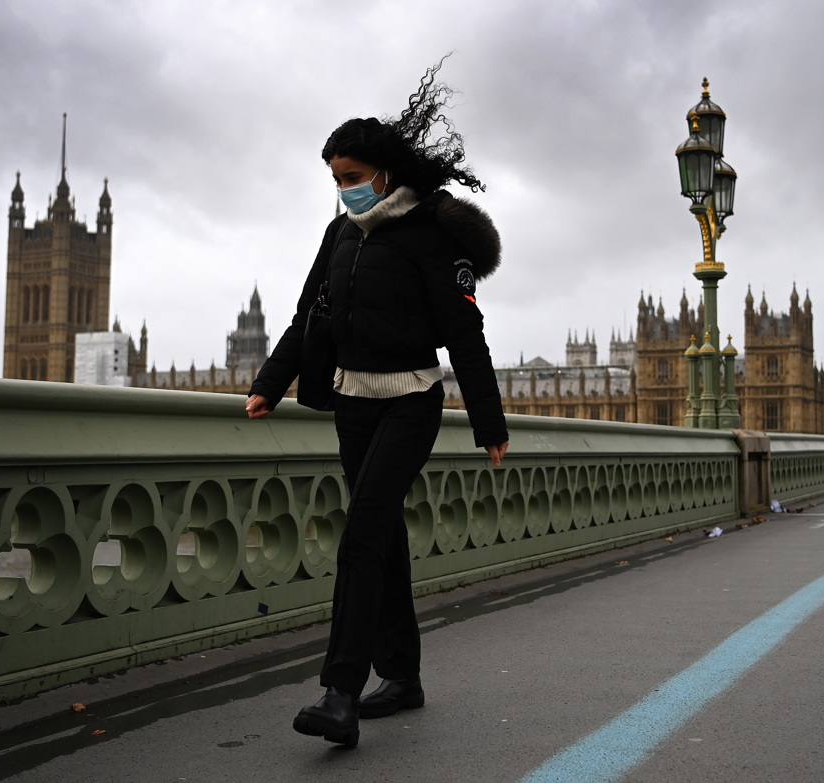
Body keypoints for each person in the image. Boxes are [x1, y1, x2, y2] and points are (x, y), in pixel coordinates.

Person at [244, 60, 509, 748]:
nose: (344, 191)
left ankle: (340, 692)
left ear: (384, 174)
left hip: (411, 401)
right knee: (382, 535)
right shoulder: (339, 236)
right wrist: (271, 381)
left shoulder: (429, 235)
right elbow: (311, 314)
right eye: (335, 180)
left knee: (361, 530)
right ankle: (404, 674)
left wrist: (489, 421)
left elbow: (464, 332)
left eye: (353, 178)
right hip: (353, 401)